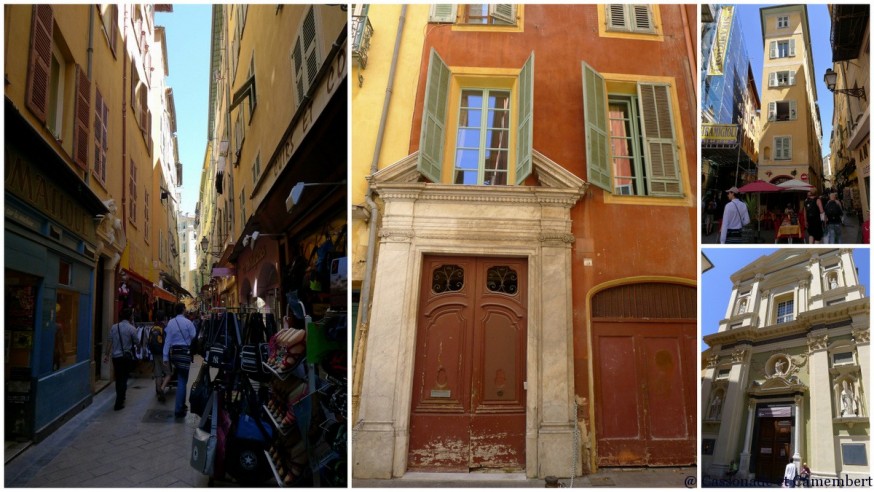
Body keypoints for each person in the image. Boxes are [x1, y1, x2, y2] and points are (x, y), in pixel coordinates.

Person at [163, 302, 197, 418]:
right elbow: (193, 335)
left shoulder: (171, 323)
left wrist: (165, 357)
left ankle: (182, 404)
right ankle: (179, 408)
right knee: (182, 380)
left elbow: (167, 340)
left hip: (174, 354)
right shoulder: (188, 322)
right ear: (183, 309)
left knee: (181, 379)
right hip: (185, 353)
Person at [103, 307, 138, 411]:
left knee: (118, 378)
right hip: (126, 357)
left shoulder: (114, 327)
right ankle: (119, 401)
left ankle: (120, 398)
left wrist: (106, 355)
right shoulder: (132, 328)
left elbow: (109, 341)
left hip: (116, 357)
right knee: (124, 379)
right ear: (130, 317)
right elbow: (137, 342)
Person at [149, 311, 171, 402]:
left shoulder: (153, 328)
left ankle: (158, 392)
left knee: (158, 374)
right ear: (164, 318)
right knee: (168, 373)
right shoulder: (164, 328)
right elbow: (167, 342)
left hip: (154, 354)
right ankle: (162, 389)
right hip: (163, 354)